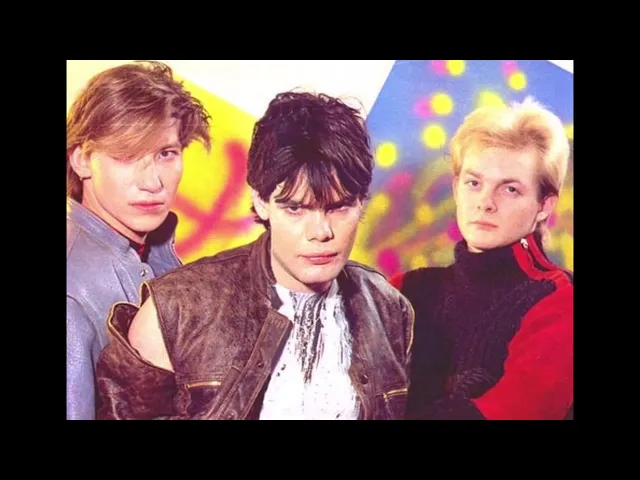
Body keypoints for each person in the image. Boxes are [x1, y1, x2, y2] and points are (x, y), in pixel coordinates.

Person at [95, 91, 414, 420]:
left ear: (361, 202)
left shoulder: (389, 309)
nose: (321, 232)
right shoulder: (175, 311)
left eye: (339, 207)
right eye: (296, 209)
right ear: (261, 202)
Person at [391, 97, 573, 420]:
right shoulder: (407, 289)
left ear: (544, 206)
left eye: (510, 189)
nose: (485, 202)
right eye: (474, 183)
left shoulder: (559, 300)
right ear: (456, 189)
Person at [66, 60, 211, 420]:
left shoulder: (157, 255)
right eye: (127, 155)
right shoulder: (71, 292)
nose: (152, 182)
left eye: (166, 154)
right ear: (82, 160)